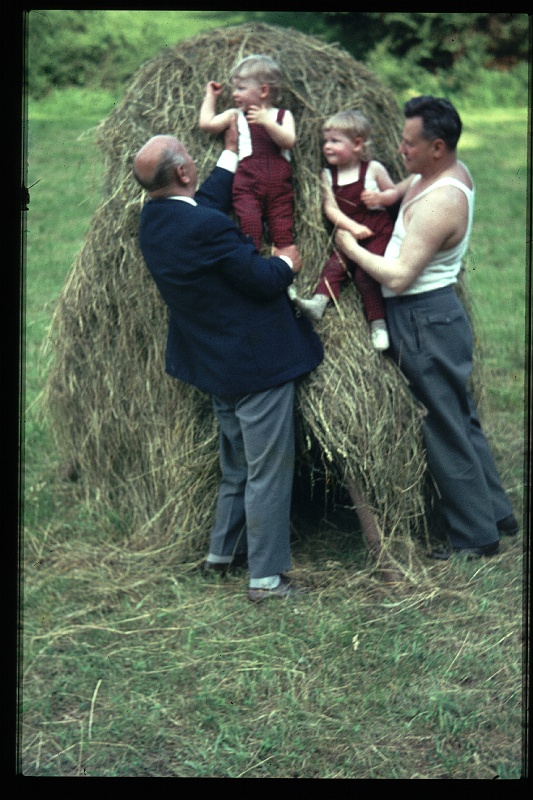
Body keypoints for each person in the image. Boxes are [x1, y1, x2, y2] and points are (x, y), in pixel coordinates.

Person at [132, 120, 323, 601]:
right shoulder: (207, 226)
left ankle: (223, 552)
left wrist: (230, 155)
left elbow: (205, 207)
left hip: (213, 364)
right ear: (183, 169)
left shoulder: (155, 221)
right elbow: (260, 279)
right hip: (255, 364)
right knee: (267, 469)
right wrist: (287, 263)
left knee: (236, 463)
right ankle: (265, 578)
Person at [332, 96, 518, 558]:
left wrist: (349, 249)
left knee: (442, 426)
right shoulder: (433, 173)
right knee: (462, 418)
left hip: (423, 317)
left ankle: (476, 538)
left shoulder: (443, 201)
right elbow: (399, 189)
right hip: (434, 315)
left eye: (410, 143)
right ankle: (496, 513)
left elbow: (397, 276)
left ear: (438, 146)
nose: (402, 150)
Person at [294, 110, 407, 351]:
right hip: (350, 230)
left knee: (365, 275)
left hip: (377, 229)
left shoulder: (373, 169)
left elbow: (394, 193)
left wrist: (379, 197)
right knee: (334, 266)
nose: (327, 147)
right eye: (326, 141)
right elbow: (330, 209)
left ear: (357, 144)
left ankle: (378, 325)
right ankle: (318, 302)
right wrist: (351, 227)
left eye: (335, 141)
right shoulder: (327, 175)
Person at [198, 54, 298, 258]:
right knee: (249, 223)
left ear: (263, 90)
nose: (235, 94)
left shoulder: (282, 116)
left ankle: (286, 271)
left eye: (241, 88)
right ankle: (252, 263)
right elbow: (207, 124)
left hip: (279, 185)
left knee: (282, 226)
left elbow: (288, 141)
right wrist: (211, 96)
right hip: (248, 183)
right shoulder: (236, 115)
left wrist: (267, 122)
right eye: (235, 88)